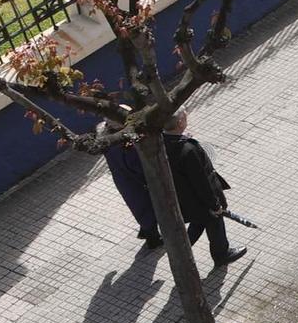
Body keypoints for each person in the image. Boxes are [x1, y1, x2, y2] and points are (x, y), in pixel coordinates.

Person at [165, 112, 245, 268]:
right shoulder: (188, 150)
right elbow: (201, 181)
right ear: (180, 122)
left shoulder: (162, 142)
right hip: (200, 199)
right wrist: (215, 205)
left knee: (198, 222)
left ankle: (180, 250)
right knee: (214, 222)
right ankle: (221, 254)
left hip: (184, 198)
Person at [100, 123, 160, 248]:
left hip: (123, 180)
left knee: (138, 207)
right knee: (146, 207)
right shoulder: (124, 145)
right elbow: (136, 167)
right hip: (134, 182)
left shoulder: (106, 139)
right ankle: (152, 238)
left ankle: (146, 229)